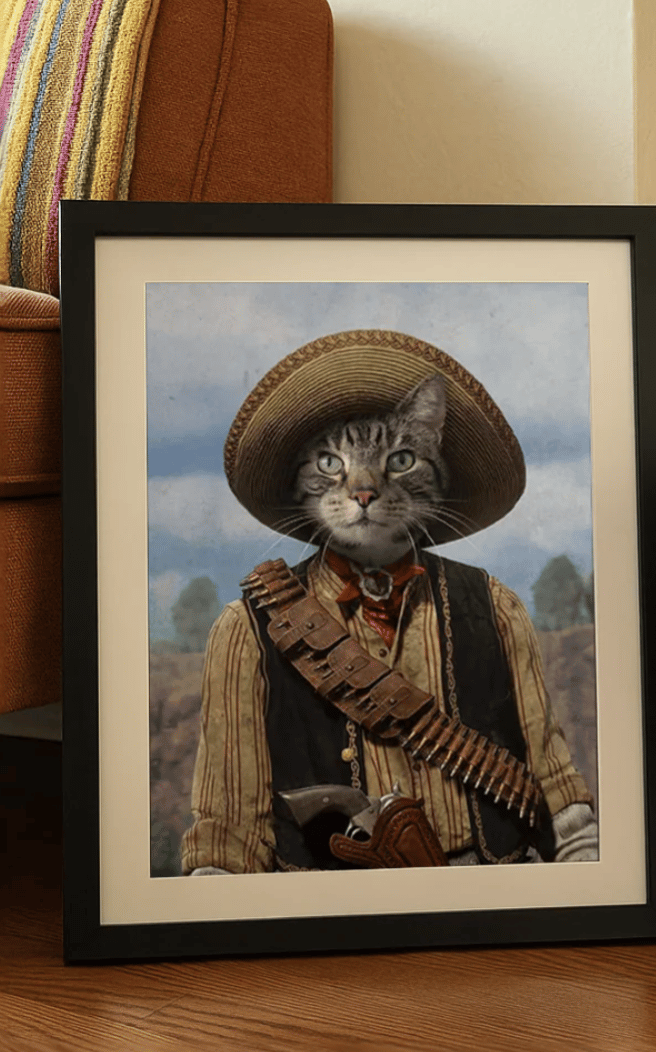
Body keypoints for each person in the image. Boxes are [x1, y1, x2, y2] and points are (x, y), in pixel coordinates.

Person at [181, 329, 598, 873]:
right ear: (296, 483)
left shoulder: (495, 607)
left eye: (399, 459)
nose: (364, 487)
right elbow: (226, 836)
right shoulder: (247, 630)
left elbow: (558, 793)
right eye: (330, 464)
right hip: (323, 913)